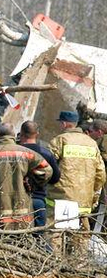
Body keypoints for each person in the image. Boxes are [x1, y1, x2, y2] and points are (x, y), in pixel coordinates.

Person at [47, 110, 106, 256]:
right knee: (81, 236)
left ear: (64, 124)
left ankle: (54, 265)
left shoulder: (60, 140)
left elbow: (47, 166)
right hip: (83, 200)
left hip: (61, 197)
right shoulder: (92, 144)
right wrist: (93, 194)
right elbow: (101, 174)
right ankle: (78, 267)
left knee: (55, 233)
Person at [0, 123, 52, 229]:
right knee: (24, 244)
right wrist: (32, 183)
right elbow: (47, 171)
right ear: (14, 135)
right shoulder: (27, 153)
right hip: (23, 216)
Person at [18, 120, 61, 229]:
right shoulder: (46, 153)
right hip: (38, 200)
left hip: (17, 201)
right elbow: (55, 178)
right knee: (37, 238)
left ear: (21, 133)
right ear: (37, 133)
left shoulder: (14, 153)